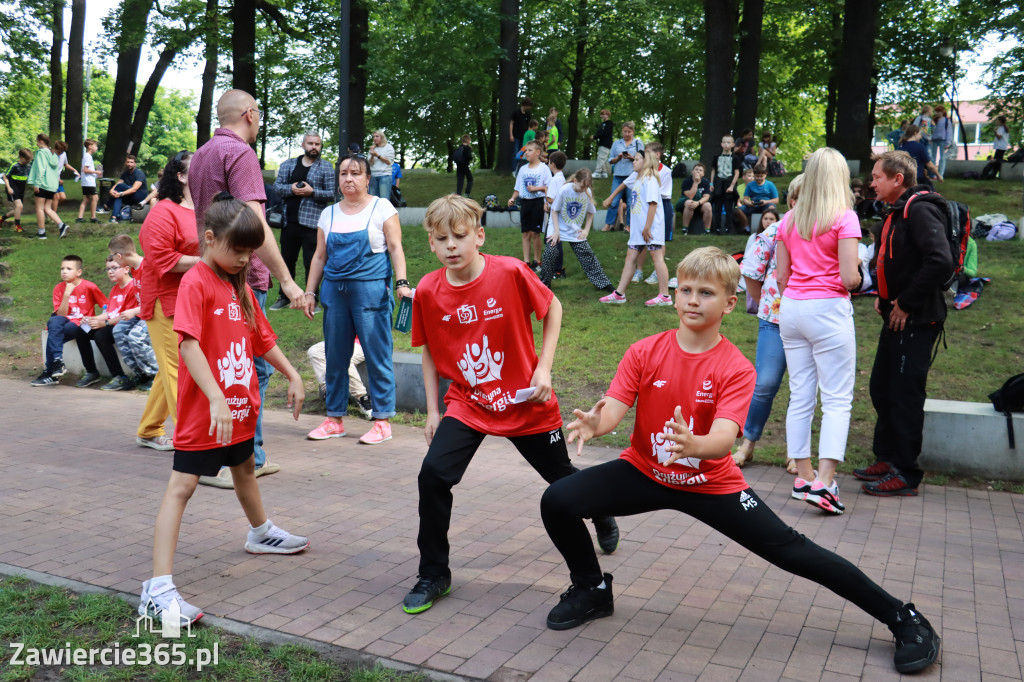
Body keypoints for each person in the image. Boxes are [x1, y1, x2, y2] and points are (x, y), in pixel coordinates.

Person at [537, 246, 940, 676]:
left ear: (730, 303)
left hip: (712, 485)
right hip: (646, 472)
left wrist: (694, 445)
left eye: (705, 293)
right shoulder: (644, 351)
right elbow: (614, 409)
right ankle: (592, 588)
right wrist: (595, 425)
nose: (692, 299)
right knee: (557, 501)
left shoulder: (735, 367)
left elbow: (724, 440)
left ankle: (903, 617)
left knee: (794, 552)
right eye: (685, 289)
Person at [401, 194, 618, 615]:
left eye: (459, 236)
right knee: (433, 476)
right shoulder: (427, 289)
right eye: (441, 238)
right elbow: (428, 350)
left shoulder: (511, 271)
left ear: (479, 236)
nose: (451, 246)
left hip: (525, 401)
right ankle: (433, 573)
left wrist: (544, 369)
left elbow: (553, 307)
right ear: (430, 243)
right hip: (468, 401)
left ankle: (601, 510)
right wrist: (433, 411)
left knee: (562, 481)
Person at [138, 195, 309, 629]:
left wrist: (293, 374)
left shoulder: (241, 286)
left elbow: (261, 339)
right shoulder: (196, 281)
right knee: (182, 488)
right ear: (209, 239)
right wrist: (214, 396)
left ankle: (260, 532)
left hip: (239, 408)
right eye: (238, 250)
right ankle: (157, 591)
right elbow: (189, 342)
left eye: (251, 252)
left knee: (245, 468)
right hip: (207, 412)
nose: (245, 259)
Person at [189, 89, 305, 481]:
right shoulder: (240, 154)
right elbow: (255, 225)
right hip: (241, 276)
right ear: (250, 115)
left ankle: (221, 455)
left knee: (223, 363)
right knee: (248, 367)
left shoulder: (201, 155)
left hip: (210, 272)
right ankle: (242, 459)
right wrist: (287, 281)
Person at [856, 150, 953, 497]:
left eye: (878, 176)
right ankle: (886, 457)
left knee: (905, 395)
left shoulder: (920, 210)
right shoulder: (896, 212)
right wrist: (886, 301)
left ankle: (906, 473)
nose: (872, 182)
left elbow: (940, 261)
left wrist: (905, 303)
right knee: (882, 387)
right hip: (896, 317)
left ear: (898, 179)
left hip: (916, 319)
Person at [774, 148, 863, 515]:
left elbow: (780, 276)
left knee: (800, 395)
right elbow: (849, 278)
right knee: (837, 398)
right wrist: (861, 269)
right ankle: (825, 483)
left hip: (792, 307)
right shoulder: (845, 218)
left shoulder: (789, 219)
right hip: (828, 308)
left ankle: (804, 478)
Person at [303, 153, 413, 444]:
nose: (348, 178)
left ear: (367, 179)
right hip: (335, 294)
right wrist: (310, 291)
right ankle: (334, 419)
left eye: (355, 173)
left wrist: (401, 282)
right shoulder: (329, 214)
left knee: (377, 356)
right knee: (335, 357)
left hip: (371, 293)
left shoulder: (382, 207)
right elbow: (319, 256)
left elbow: (395, 247)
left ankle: (382, 421)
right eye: (343, 173)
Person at [733, 177, 804, 471]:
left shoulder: (826, 233)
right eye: (802, 199)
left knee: (803, 389)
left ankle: (797, 452)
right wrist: (764, 299)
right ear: (792, 202)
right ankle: (747, 445)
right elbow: (750, 269)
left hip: (807, 323)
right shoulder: (775, 231)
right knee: (764, 384)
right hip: (774, 321)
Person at [136, 151, 201, 452]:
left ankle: (149, 430)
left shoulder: (202, 208)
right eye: (196, 167)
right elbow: (162, 258)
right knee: (179, 369)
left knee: (170, 367)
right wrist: (208, 261)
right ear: (181, 176)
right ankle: (193, 443)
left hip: (192, 299)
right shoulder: (163, 211)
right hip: (165, 299)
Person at [269, 131, 336, 312]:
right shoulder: (288, 165)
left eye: (317, 144)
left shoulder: (326, 167)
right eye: (311, 143)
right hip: (288, 222)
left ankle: (312, 297)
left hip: (313, 223)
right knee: (286, 260)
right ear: (303, 145)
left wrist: (312, 192)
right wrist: (291, 188)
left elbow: (332, 194)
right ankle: (284, 296)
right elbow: (276, 187)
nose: (314, 147)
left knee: (311, 261)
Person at [599, 150, 670, 306]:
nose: (633, 161)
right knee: (630, 257)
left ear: (646, 162)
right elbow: (624, 185)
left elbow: (653, 204)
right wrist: (611, 198)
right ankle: (619, 294)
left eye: (637, 159)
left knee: (657, 258)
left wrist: (647, 227)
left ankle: (665, 296)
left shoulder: (650, 179)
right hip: (639, 229)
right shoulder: (637, 178)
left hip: (651, 228)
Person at [30, 255, 107, 387]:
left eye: (69, 269)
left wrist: (98, 319)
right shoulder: (59, 288)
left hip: (82, 325)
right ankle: (58, 362)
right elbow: (61, 314)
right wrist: (66, 294)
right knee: (54, 322)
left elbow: (106, 306)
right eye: (62, 268)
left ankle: (50, 371)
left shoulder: (90, 287)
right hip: (64, 322)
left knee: (54, 333)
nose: (64, 271)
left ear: (79, 272)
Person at [540, 168, 614, 292]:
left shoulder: (586, 192)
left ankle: (603, 284)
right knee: (550, 252)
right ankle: (544, 285)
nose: (583, 190)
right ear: (575, 180)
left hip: (574, 229)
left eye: (586, 187)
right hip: (557, 226)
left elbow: (591, 213)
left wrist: (586, 230)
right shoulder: (564, 190)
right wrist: (556, 231)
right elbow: (554, 210)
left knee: (587, 254)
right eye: (581, 186)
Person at [106, 234, 161, 392]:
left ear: (119, 256)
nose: (114, 262)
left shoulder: (147, 268)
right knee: (119, 330)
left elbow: (157, 299)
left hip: (155, 313)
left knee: (135, 336)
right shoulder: (135, 270)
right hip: (142, 313)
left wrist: (134, 311)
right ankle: (141, 373)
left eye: (114, 259)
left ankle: (157, 376)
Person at [79, 255, 134, 391]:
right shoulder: (115, 289)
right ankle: (92, 372)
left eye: (114, 268)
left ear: (126, 269)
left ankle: (120, 377)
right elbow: (110, 312)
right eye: (108, 269)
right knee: (81, 330)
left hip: (125, 326)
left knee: (101, 335)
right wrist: (92, 319)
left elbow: (126, 316)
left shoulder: (133, 287)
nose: (110, 272)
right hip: (111, 323)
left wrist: (105, 323)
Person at [507, 140, 551, 270]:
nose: (526, 153)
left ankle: (537, 262)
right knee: (525, 232)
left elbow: (549, 187)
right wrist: (513, 198)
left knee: (535, 233)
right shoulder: (522, 169)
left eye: (529, 150)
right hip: (525, 203)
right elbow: (518, 188)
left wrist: (537, 188)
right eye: (526, 150)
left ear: (538, 152)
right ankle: (526, 262)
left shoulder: (544, 168)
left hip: (538, 203)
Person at [307, 339, 373, 419]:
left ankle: (363, 399)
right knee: (314, 351)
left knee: (343, 358)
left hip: (365, 343)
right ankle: (330, 393)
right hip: (341, 340)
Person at [26, 134, 69, 240]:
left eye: (37, 141)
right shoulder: (53, 154)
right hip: (52, 186)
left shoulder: (41, 153)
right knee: (47, 208)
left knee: (39, 208)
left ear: (41, 141)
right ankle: (61, 225)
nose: (36, 143)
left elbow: (41, 169)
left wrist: (37, 184)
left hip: (43, 184)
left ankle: (41, 233)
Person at [603, 122, 644, 231]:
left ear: (633, 132)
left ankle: (629, 226)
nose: (626, 134)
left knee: (632, 202)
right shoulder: (616, 143)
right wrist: (618, 158)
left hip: (633, 176)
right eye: (625, 131)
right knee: (614, 201)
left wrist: (632, 158)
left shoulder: (638, 143)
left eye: (629, 132)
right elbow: (610, 160)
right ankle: (608, 224)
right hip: (618, 175)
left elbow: (643, 159)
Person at [709, 134, 744, 235]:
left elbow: (737, 172)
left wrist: (732, 186)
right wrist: (711, 183)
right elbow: (713, 170)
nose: (726, 144)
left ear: (733, 144)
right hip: (718, 183)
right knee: (717, 207)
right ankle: (717, 228)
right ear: (721, 144)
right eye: (724, 142)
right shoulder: (717, 157)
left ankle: (729, 228)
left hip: (729, 182)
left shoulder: (735, 158)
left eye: (728, 142)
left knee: (729, 207)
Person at [104, 155, 146, 224]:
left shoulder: (139, 173)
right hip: (130, 194)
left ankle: (107, 205)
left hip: (140, 195)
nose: (129, 164)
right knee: (118, 195)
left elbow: (134, 189)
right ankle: (113, 218)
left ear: (135, 164)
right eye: (128, 162)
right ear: (125, 163)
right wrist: (111, 190)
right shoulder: (125, 173)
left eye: (131, 162)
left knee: (120, 190)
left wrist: (121, 193)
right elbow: (118, 183)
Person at [1, 148, 31, 232]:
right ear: (21, 157)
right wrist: (9, 188)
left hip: (21, 189)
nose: (28, 161)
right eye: (26, 159)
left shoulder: (28, 166)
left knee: (18, 209)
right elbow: (5, 176)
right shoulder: (14, 165)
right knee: (19, 206)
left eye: (29, 160)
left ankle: (2, 219)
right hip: (12, 188)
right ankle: (17, 226)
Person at [739, 164, 779, 229]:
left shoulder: (770, 185)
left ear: (765, 174)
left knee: (771, 207)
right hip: (753, 205)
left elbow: (776, 200)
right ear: (754, 175)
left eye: (761, 176)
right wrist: (749, 203)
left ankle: (770, 228)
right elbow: (745, 199)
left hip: (766, 205)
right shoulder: (750, 185)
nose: (759, 178)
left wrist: (766, 202)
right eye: (757, 176)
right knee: (738, 210)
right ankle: (747, 227)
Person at [679, 162, 713, 235]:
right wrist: (696, 182)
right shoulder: (687, 181)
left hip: (699, 203)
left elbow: (706, 197)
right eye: (696, 169)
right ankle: (685, 229)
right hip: (686, 204)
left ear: (703, 174)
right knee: (689, 202)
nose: (698, 171)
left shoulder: (706, 182)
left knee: (708, 205)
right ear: (692, 172)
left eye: (700, 170)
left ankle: (707, 230)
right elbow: (690, 196)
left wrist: (698, 203)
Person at [51, 140, 80, 216]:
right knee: (56, 197)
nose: (61, 153)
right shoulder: (51, 155)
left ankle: (50, 210)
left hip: (58, 179)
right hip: (51, 180)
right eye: (60, 151)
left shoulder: (63, 154)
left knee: (63, 197)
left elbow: (66, 164)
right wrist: (57, 179)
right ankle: (53, 216)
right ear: (56, 149)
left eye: (63, 151)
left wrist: (74, 170)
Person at [76, 140, 101, 223]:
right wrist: (96, 172)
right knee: (95, 197)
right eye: (95, 146)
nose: (96, 148)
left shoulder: (87, 156)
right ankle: (93, 217)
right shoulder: (88, 156)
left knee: (86, 199)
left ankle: (80, 217)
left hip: (86, 181)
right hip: (88, 182)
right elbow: (85, 169)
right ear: (90, 146)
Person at [508, 96, 534, 172]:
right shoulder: (516, 113)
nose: (529, 108)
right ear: (525, 104)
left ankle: (520, 169)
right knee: (515, 153)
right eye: (529, 106)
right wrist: (511, 135)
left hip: (524, 138)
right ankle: (514, 170)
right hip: (516, 136)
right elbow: (511, 123)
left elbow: (529, 126)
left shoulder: (528, 115)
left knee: (522, 153)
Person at [368, 130, 396, 200]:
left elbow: (389, 161)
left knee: (384, 200)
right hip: (373, 175)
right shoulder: (373, 149)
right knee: (372, 199)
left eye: (377, 136)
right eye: (373, 137)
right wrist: (372, 155)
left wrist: (377, 155)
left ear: (382, 137)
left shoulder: (388, 147)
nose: (374, 138)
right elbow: (369, 164)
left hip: (385, 175)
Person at [930, 105, 953, 179]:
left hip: (943, 140)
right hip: (933, 140)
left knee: (942, 158)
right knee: (932, 157)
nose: (937, 113)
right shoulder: (933, 120)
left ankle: (941, 174)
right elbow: (930, 130)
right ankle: (933, 174)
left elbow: (949, 132)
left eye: (939, 112)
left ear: (943, 112)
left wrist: (948, 142)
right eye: (936, 112)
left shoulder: (946, 121)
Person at [590, 109, 614, 178]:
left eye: (605, 114)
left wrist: (594, 137)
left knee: (601, 158)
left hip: (606, 143)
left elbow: (604, 133)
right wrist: (595, 136)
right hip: (602, 143)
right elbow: (599, 132)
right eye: (602, 114)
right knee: (602, 158)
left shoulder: (609, 123)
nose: (603, 115)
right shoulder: (602, 124)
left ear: (608, 115)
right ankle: (604, 173)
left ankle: (597, 172)